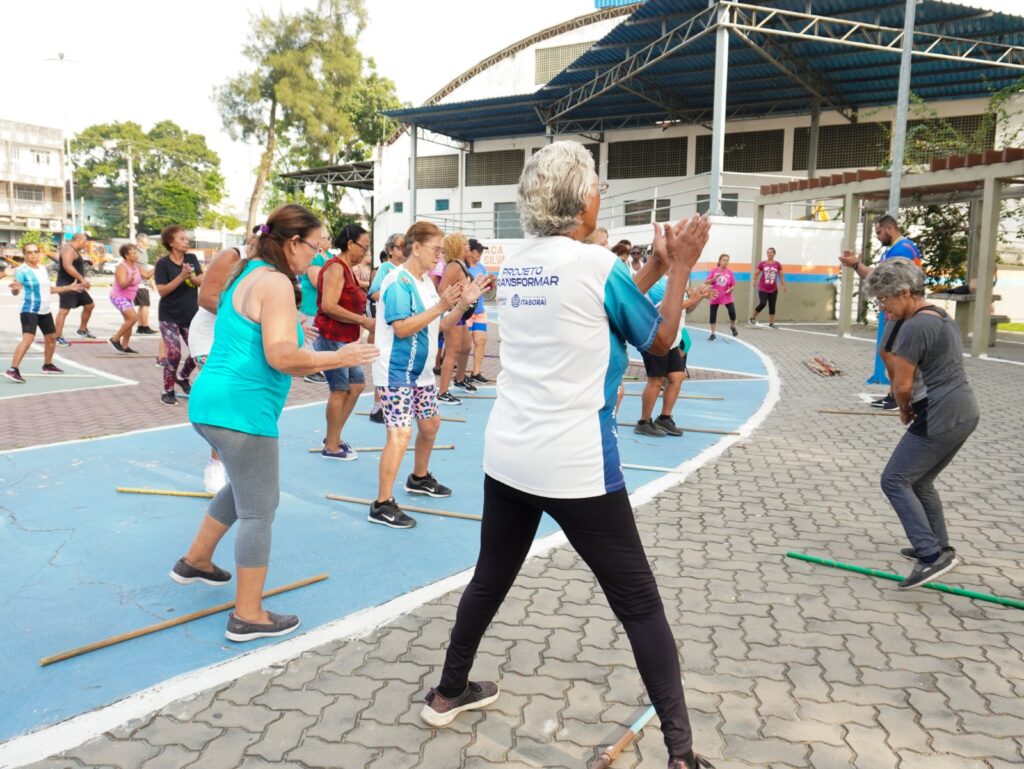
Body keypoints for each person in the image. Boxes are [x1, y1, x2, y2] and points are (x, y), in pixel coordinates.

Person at [421, 141, 715, 769]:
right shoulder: (594, 264)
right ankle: (682, 755)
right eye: (599, 188)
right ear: (583, 200)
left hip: (508, 455)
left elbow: (592, 311)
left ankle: (448, 691)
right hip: (576, 463)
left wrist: (655, 271)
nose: (601, 196)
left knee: (490, 578)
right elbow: (660, 341)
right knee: (640, 605)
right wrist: (682, 265)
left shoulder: (521, 262)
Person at [173, 204, 377, 642]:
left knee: (243, 489)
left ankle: (197, 560)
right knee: (260, 509)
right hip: (242, 413)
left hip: (211, 406)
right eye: (315, 248)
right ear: (292, 243)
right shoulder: (276, 283)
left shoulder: (248, 272)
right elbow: (282, 356)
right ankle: (248, 614)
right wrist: (337, 356)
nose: (317, 257)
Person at [863, 257, 977, 590]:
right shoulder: (937, 315)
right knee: (921, 481)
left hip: (941, 413)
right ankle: (939, 546)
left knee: (894, 480)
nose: (883, 307)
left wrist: (903, 409)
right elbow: (892, 356)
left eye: (885, 299)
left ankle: (931, 556)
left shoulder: (915, 325)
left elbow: (901, 384)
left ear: (903, 292)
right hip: (963, 411)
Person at [371, 222, 485, 529]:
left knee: (431, 425)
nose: (439, 255)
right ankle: (382, 503)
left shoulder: (423, 283)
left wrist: (462, 303)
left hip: (419, 373)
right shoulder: (398, 282)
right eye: (436, 248)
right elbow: (402, 327)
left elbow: (444, 325)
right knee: (399, 434)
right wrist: (442, 306)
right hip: (395, 371)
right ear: (416, 247)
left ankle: (418, 477)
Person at [188, 236, 253, 494]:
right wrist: (251, 316)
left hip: (240, 338)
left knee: (242, 401)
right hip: (211, 337)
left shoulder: (276, 266)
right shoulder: (233, 256)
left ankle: (231, 457)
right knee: (226, 400)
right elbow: (205, 298)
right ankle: (216, 464)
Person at [839, 213, 923, 408]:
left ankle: (898, 394)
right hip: (898, 308)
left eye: (878, 232)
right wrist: (854, 265)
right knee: (888, 350)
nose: (877, 236)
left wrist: (855, 264)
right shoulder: (895, 249)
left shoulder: (902, 249)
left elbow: (883, 277)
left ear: (889, 229)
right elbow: (874, 277)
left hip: (902, 309)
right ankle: (895, 393)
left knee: (888, 351)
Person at [314, 224, 375, 460]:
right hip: (333, 337)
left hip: (348, 339)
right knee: (339, 389)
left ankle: (334, 435)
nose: (365, 252)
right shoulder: (335, 268)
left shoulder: (349, 269)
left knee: (357, 385)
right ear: (350, 244)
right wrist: (364, 321)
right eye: (364, 247)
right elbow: (328, 306)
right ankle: (331, 445)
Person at [635, 280, 714, 436]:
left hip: (671, 339)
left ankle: (664, 418)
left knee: (677, 376)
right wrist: (691, 299)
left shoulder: (680, 279)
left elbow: (686, 309)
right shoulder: (658, 283)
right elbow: (663, 310)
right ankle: (643, 422)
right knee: (656, 381)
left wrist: (697, 299)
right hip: (656, 338)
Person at [5, 243, 84, 382]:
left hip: (44, 309)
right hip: (29, 309)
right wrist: (15, 289)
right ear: (24, 254)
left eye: (36, 251)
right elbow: (16, 290)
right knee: (28, 339)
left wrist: (69, 288)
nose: (33, 254)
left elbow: (49, 289)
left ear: (39, 253)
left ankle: (47, 365)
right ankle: (13, 369)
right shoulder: (22, 270)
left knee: (52, 338)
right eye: (29, 252)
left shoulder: (42, 269)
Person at [154, 226, 204, 406]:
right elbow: (162, 291)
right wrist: (182, 276)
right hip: (169, 316)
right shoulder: (163, 264)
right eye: (182, 239)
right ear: (171, 242)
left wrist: (193, 277)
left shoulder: (191, 258)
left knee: (200, 351)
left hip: (191, 314)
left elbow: (201, 279)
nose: (186, 241)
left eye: (186, 238)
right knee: (174, 354)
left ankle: (182, 377)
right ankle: (167, 390)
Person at [367, 232, 407, 423]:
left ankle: (398, 402)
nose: (403, 249)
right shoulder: (385, 268)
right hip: (388, 324)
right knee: (383, 362)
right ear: (391, 250)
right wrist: (393, 301)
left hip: (405, 324)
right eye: (399, 246)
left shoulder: (408, 269)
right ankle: (378, 406)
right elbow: (373, 292)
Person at [436, 233, 476, 404]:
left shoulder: (462, 265)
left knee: (466, 347)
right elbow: (442, 289)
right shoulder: (453, 266)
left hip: (462, 314)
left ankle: (459, 379)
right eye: (465, 244)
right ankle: (442, 392)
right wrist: (455, 306)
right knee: (452, 351)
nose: (468, 247)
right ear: (458, 246)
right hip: (455, 314)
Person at [297, 227, 330, 385]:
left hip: (324, 303)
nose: (329, 240)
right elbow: (317, 281)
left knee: (320, 336)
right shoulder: (315, 257)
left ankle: (318, 367)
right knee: (311, 334)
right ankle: (310, 371)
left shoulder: (329, 256)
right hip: (312, 301)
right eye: (325, 238)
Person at [53, 232, 95, 345]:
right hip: (67, 284)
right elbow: (67, 266)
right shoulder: (68, 249)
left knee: (89, 305)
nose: (85, 244)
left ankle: (82, 330)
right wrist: (82, 279)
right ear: (79, 240)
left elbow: (71, 262)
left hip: (76, 285)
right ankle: (57, 336)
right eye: (85, 242)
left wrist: (86, 261)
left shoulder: (73, 250)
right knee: (64, 310)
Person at [107, 244, 145, 353]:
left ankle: (125, 346)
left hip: (128, 298)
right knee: (133, 318)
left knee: (129, 321)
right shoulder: (121, 267)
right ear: (126, 256)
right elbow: (123, 284)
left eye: (136, 252)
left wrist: (158, 265)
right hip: (118, 297)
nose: (136, 255)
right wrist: (131, 279)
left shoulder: (136, 266)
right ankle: (115, 339)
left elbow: (146, 275)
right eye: (133, 253)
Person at [466, 238, 492, 384]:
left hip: (479, 310)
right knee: (465, 344)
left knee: (481, 341)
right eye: (478, 251)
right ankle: (461, 374)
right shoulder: (463, 267)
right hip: (466, 311)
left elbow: (487, 288)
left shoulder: (481, 268)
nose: (480, 254)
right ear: (471, 251)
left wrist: (490, 283)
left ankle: (476, 372)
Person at [749, 247, 785, 328]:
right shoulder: (762, 263)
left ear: (774, 254)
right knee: (763, 303)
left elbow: (781, 275)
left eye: (771, 252)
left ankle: (771, 323)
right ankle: (752, 317)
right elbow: (756, 273)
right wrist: (754, 280)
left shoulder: (777, 264)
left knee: (772, 305)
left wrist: (783, 285)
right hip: (763, 288)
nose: (769, 254)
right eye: (768, 252)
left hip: (773, 289)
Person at [705, 253, 737, 340]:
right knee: (713, 315)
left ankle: (732, 326)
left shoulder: (730, 272)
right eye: (724, 260)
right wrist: (714, 279)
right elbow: (706, 282)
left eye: (727, 260)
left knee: (732, 312)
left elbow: (733, 284)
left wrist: (730, 289)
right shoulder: (714, 271)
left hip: (727, 296)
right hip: (715, 295)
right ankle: (713, 334)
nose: (726, 262)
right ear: (719, 261)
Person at [133, 233, 158, 335]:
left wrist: (151, 281)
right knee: (145, 304)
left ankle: (141, 326)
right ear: (139, 242)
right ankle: (144, 326)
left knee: (143, 305)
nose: (146, 246)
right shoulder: (135, 253)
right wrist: (157, 265)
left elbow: (146, 268)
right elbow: (143, 271)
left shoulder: (144, 252)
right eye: (145, 243)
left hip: (144, 282)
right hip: (138, 282)